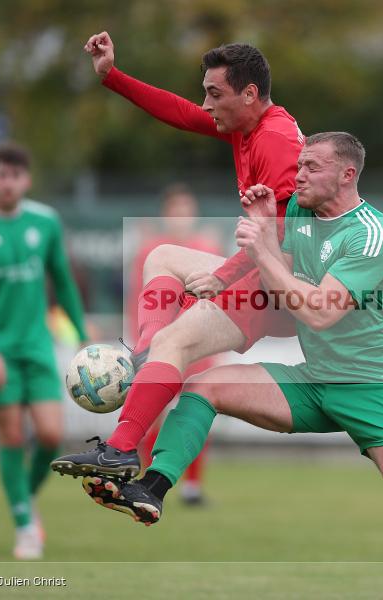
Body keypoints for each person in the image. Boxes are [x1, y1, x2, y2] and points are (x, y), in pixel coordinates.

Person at [82, 133, 383, 600]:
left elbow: (318, 311)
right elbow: (267, 265)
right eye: (298, 165)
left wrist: (261, 248)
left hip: (372, 390)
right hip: (313, 379)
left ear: (347, 174)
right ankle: (150, 489)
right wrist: (256, 236)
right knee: (202, 387)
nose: (297, 175)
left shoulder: (373, 235)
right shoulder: (297, 211)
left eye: (311, 167)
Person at [51, 33, 304, 478]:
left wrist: (225, 276)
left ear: (249, 94)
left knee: (178, 344)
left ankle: (121, 447)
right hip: (272, 277)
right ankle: (146, 353)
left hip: (287, 289)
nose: (205, 104)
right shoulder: (249, 127)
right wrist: (112, 76)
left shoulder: (275, 139)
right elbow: (182, 113)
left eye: (214, 93)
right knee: (163, 257)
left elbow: (281, 231)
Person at [0, 142, 89, 560]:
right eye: (0, 175)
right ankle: (25, 526)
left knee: (50, 434)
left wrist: (81, 334)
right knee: (11, 434)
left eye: (15, 175)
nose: (7, 183)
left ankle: (22, 498)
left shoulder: (45, 222)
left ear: (26, 180)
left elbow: (62, 280)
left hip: (37, 347)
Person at [129, 184, 224, 505]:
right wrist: (143, 342)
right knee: (153, 415)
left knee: (197, 412)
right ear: (165, 215)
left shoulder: (205, 247)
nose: (182, 217)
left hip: (199, 344)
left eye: (187, 210)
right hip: (163, 343)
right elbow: (141, 300)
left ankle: (192, 488)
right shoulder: (152, 251)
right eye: (176, 210)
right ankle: (146, 479)